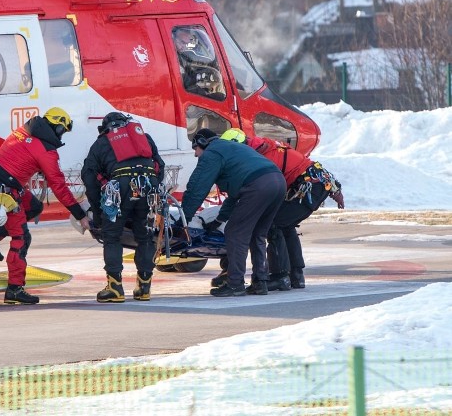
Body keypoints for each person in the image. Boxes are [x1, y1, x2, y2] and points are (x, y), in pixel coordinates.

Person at [0, 107, 90, 305]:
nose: (62, 135)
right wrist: (79, 213)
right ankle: (15, 289)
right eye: (63, 130)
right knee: (22, 237)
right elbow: (59, 186)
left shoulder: (26, 130)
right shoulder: (46, 151)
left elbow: (22, 155)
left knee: (33, 207)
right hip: (4, 189)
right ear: (57, 128)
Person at [219, 128, 345, 290]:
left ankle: (280, 276)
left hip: (307, 186)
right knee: (285, 224)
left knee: (272, 224)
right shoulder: (264, 147)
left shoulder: (260, 156)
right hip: (316, 182)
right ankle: (296, 276)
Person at [180, 128, 286, 297]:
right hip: (278, 182)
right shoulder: (231, 149)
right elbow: (235, 194)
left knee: (235, 233)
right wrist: (220, 219)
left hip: (258, 185)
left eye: (195, 150)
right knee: (258, 234)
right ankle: (260, 282)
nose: (195, 155)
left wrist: (184, 218)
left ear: (202, 144)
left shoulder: (212, 153)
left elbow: (197, 188)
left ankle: (235, 283)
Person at [82, 112, 165, 303]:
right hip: (149, 187)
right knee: (145, 237)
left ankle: (115, 288)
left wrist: (98, 211)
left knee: (112, 237)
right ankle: (144, 287)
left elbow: (89, 176)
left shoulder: (102, 142)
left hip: (119, 188)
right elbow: (159, 165)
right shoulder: (143, 136)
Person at [172, 27, 226, 101]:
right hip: (186, 93)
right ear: (174, 39)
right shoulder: (172, 56)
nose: (183, 47)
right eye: (182, 42)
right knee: (219, 97)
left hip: (193, 89)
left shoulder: (187, 55)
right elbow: (184, 84)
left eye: (186, 44)